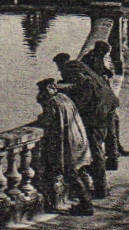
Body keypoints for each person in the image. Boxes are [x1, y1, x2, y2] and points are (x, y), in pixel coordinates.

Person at [37, 78, 94, 215]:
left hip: (69, 143)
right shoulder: (64, 98)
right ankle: (86, 203)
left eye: (43, 90)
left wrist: (41, 116)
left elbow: (47, 121)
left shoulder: (52, 102)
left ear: (49, 89)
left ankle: (86, 205)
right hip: (78, 139)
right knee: (78, 171)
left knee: (71, 173)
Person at [81, 40, 129, 157]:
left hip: (104, 96)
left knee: (113, 121)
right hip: (99, 98)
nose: (105, 56)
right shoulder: (89, 60)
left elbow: (106, 72)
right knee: (109, 123)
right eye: (105, 53)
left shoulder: (96, 58)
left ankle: (115, 148)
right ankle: (113, 151)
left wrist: (106, 74)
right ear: (100, 51)